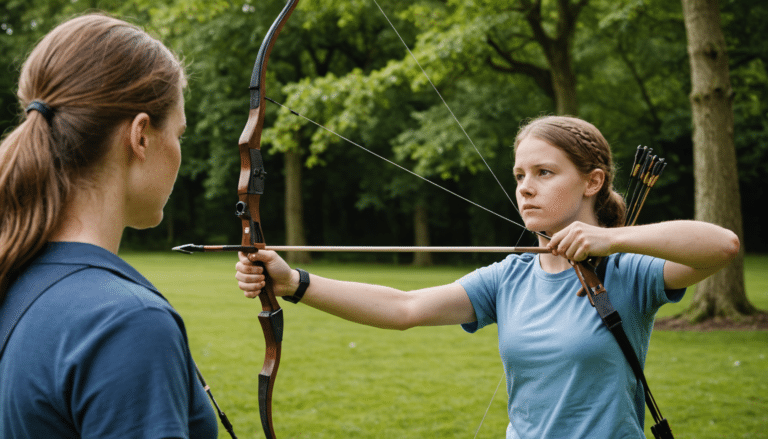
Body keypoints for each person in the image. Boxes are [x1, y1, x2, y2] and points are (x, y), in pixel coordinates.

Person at [235, 115, 740, 438]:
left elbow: (723, 246)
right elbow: (404, 308)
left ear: (593, 181)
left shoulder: (629, 271)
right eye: (520, 175)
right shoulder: (511, 276)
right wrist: (293, 282)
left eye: (544, 173)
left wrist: (612, 239)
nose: (525, 188)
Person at [0, 14, 218, 438]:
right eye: (179, 133)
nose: (179, 151)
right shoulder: (126, 323)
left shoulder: (14, 274)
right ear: (141, 136)